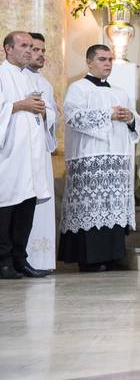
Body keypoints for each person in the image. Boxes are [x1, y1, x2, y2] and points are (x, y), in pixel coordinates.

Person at [58, 45, 140, 272]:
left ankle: (113, 255)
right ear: (89, 62)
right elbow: (73, 117)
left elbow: (137, 124)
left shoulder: (120, 92)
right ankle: (90, 259)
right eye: (102, 59)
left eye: (110, 60)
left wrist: (130, 117)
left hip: (117, 159)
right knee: (90, 208)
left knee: (112, 208)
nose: (108, 64)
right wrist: (109, 114)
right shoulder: (78, 89)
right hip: (89, 157)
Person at [0, 31, 51, 279]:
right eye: (23, 46)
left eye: (32, 46)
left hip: (30, 154)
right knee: (7, 206)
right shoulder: (1, 74)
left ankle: (21, 258)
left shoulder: (31, 80)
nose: (29, 51)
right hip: (8, 153)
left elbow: (45, 110)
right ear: (8, 49)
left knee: (26, 206)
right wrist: (19, 105)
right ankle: (3, 261)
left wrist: (43, 112)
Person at [25, 32, 57, 272]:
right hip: (21, 152)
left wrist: (46, 113)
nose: (40, 54)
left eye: (43, 51)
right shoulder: (11, 77)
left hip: (41, 152)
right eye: (35, 49)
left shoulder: (45, 83)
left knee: (41, 207)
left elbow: (54, 114)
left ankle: (41, 260)